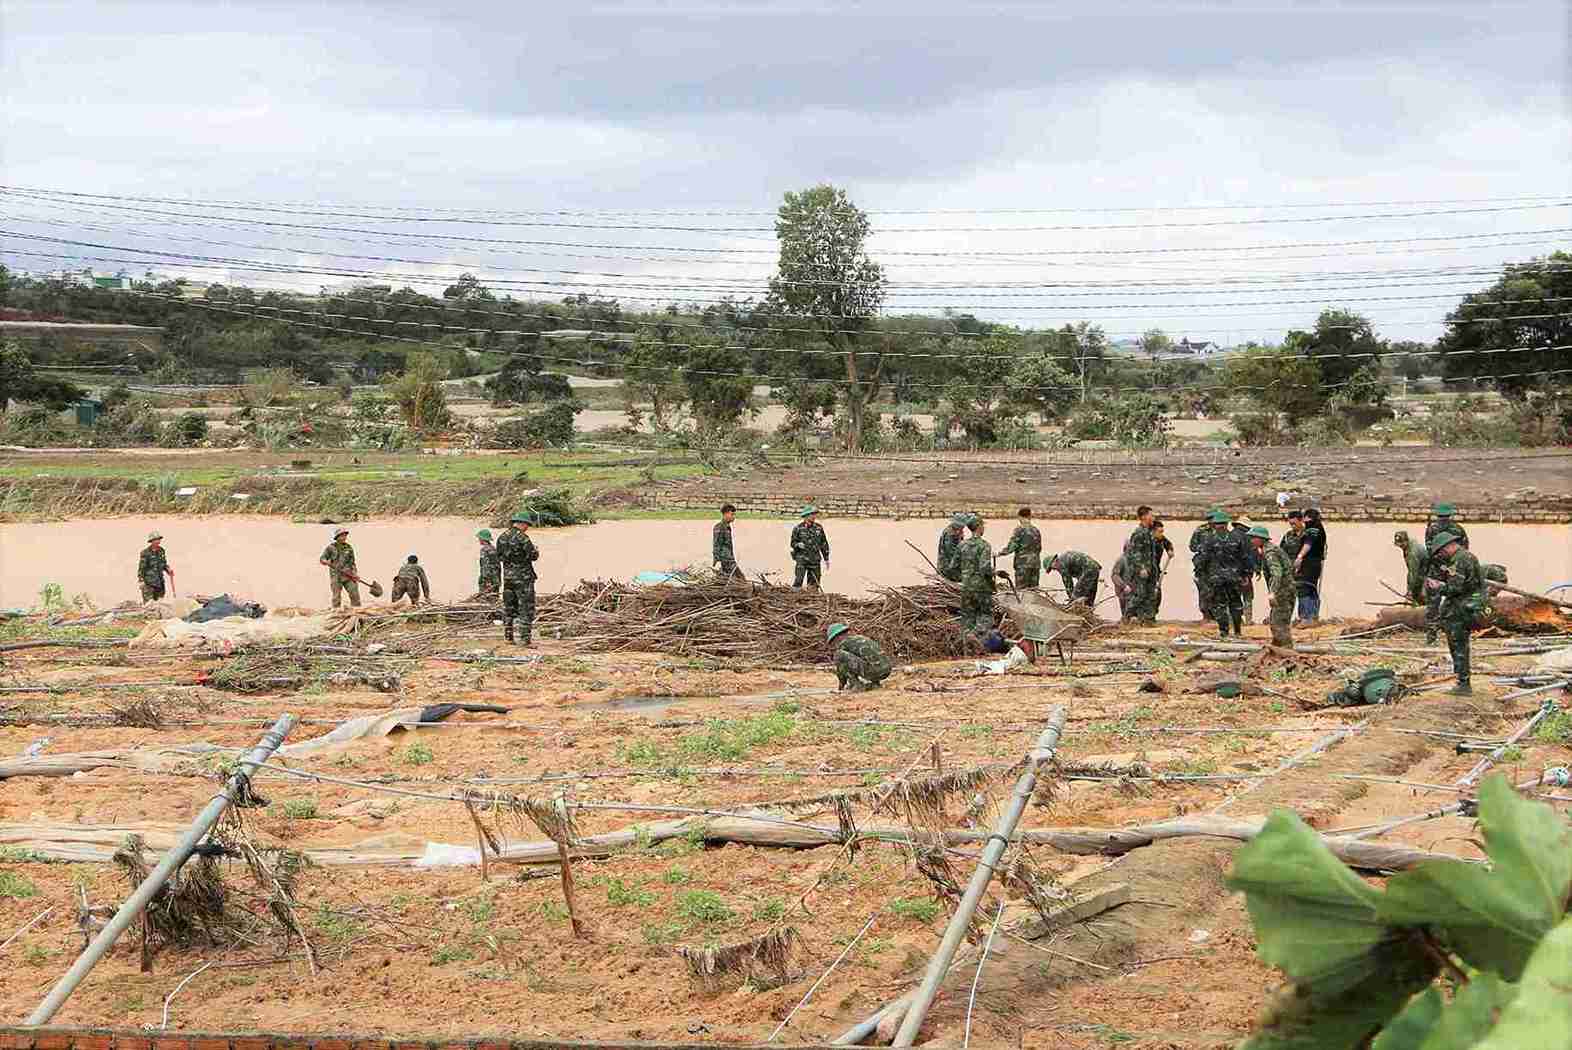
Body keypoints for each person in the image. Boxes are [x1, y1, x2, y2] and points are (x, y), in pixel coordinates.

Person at [1426, 532, 1485, 695]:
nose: (1441, 555)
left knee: (1458, 646)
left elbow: (1455, 588)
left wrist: (1438, 586)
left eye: (1441, 551)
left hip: (1460, 610)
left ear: (1448, 546)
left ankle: (1463, 683)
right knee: (1461, 645)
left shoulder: (1459, 560)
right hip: (1466, 607)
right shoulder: (1467, 557)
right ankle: (1462, 681)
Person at [1198, 510, 1245, 637]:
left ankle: (1224, 632)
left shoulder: (1209, 539)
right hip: (1234, 577)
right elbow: (1244, 557)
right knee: (1235, 603)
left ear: (1215, 524)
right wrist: (1246, 574)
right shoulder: (1237, 537)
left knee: (1219, 605)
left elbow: (1203, 558)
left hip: (1216, 578)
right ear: (1227, 524)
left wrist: (1201, 573)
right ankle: (1237, 631)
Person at [496, 511, 540, 645]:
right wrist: (536, 550)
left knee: (509, 608)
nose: (527, 527)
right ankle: (525, 639)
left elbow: (499, 556)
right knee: (526, 608)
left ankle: (508, 637)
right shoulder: (523, 538)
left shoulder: (501, 537)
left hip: (508, 578)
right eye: (527, 525)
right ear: (521, 523)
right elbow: (533, 556)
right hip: (523, 578)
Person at [1249, 526, 1296, 649]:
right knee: (1278, 621)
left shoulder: (1270, 553)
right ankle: (1277, 648)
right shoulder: (1270, 549)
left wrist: (1272, 593)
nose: (1251, 541)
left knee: (1278, 623)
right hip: (1286, 589)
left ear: (1261, 539)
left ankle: (1286, 651)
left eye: (1253, 538)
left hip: (1282, 591)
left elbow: (1277, 573)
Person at [958, 515, 996, 635]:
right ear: (979, 527)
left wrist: (964, 577)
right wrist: (994, 574)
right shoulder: (985, 545)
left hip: (966, 587)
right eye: (983, 526)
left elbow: (952, 566)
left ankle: (967, 645)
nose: (984, 528)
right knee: (985, 617)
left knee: (967, 618)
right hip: (982, 588)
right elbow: (984, 568)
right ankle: (981, 644)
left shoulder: (962, 545)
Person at [1122, 505, 1160, 624]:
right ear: (1144, 517)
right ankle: (1127, 616)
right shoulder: (1139, 533)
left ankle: (1148, 619)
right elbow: (1134, 553)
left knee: (1150, 594)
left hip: (1151, 569)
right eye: (1151, 515)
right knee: (1140, 595)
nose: (1153, 517)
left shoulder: (1149, 532)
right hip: (1142, 571)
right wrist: (1141, 568)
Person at [827, 623, 891, 692]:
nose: (835, 643)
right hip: (886, 671)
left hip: (875, 672)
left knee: (838, 655)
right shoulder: (859, 638)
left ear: (837, 637)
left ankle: (856, 685)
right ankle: (875, 684)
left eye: (834, 641)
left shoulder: (844, 643)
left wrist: (841, 685)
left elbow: (841, 669)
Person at [1292, 509, 1326, 625]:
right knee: (1311, 589)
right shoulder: (1320, 528)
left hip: (1310, 562)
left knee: (1303, 588)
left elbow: (1308, 544)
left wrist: (1300, 557)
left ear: (1308, 517)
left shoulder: (1313, 527)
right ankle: (1312, 617)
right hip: (1316, 563)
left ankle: (1305, 618)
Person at [998, 508, 1043, 589]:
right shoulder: (1036, 530)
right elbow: (1039, 548)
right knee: (1034, 590)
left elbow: (1011, 547)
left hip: (1023, 565)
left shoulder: (1019, 530)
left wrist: (1000, 553)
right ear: (1030, 516)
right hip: (1035, 564)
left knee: (1021, 591)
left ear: (1019, 517)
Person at [790, 506, 830, 590]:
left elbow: (823, 543)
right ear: (806, 516)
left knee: (814, 584)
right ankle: (795, 598)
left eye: (814, 514)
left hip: (815, 560)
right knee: (798, 581)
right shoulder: (798, 528)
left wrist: (826, 558)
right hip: (802, 559)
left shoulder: (819, 528)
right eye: (812, 514)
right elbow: (793, 543)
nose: (814, 516)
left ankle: (812, 599)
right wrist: (798, 545)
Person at [1189, 509, 1218, 624]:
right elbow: (1192, 546)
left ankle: (1216, 615)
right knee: (1204, 590)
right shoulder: (1200, 530)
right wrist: (1203, 548)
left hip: (1217, 565)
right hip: (1202, 565)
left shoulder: (1222, 530)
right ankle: (1206, 615)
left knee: (1216, 591)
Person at [320, 528, 361, 609]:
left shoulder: (349, 548)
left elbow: (352, 563)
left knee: (354, 594)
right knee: (336, 597)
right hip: (336, 576)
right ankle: (336, 613)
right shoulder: (330, 548)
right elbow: (322, 558)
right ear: (337, 537)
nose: (344, 537)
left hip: (348, 575)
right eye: (342, 536)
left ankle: (357, 612)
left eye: (345, 535)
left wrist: (355, 574)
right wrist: (325, 561)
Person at [1232, 515, 1261, 625]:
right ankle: (1248, 621)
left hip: (1229, 572)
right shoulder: (1249, 538)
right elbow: (1251, 556)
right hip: (1244, 573)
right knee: (1247, 596)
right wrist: (1254, 571)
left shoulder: (1229, 535)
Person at [137, 531, 174, 602]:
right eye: (155, 540)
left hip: (160, 583)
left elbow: (163, 563)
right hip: (148, 584)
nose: (158, 541)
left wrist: (168, 570)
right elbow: (141, 569)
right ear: (151, 541)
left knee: (159, 604)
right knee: (149, 605)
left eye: (159, 539)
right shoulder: (145, 553)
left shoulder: (161, 551)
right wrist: (141, 581)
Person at [1393, 530, 1428, 604]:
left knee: (1423, 598)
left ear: (1406, 541)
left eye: (1402, 545)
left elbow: (1413, 573)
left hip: (1426, 576)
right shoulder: (1409, 545)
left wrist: (1410, 591)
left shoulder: (1413, 553)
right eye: (1399, 545)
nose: (1400, 547)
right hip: (1421, 574)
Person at [713, 503, 742, 581]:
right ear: (725, 514)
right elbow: (716, 545)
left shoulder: (727, 527)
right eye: (732, 514)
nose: (734, 517)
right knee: (741, 579)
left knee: (730, 580)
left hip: (729, 559)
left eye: (734, 515)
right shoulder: (719, 527)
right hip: (725, 560)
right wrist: (717, 560)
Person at [936, 513, 967, 583]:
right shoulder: (950, 534)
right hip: (947, 568)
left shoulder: (958, 531)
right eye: (961, 526)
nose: (963, 528)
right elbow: (951, 552)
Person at [1151, 520, 1173, 613]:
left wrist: (1170, 550)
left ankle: (1154, 613)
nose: (1162, 534)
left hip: (1156, 569)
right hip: (1145, 569)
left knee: (1157, 592)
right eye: (1160, 532)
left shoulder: (1161, 539)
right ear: (1153, 531)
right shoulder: (1146, 539)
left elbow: (1168, 544)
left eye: (1162, 531)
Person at [476, 529, 500, 596]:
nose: (479, 540)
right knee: (494, 598)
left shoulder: (484, 550)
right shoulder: (493, 549)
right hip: (496, 579)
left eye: (479, 538)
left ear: (482, 539)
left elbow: (485, 566)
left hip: (488, 580)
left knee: (485, 599)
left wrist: (485, 580)